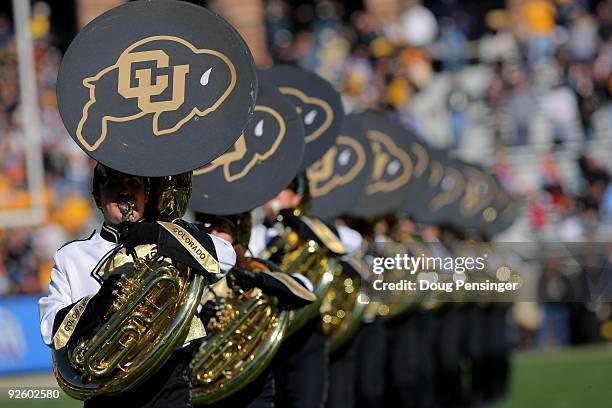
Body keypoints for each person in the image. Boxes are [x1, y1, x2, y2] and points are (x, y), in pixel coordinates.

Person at [39, 163, 237, 408]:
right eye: (114, 184)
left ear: (146, 194)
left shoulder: (170, 236)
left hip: (167, 384)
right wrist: (95, 305)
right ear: (97, 198)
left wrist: (157, 234)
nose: (125, 192)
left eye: (133, 183)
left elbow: (226, 257)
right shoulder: (71, 255)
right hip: (106, 389)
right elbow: (50, 328)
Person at [195, 212, 315, 408]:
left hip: (249, 384)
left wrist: (258, 279)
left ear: (237, 238)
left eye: (222, 230)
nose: (213, 234)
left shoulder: (252, 266)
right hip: (204, 383)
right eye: (208, 229)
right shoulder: (190, 272)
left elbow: (305, 290)